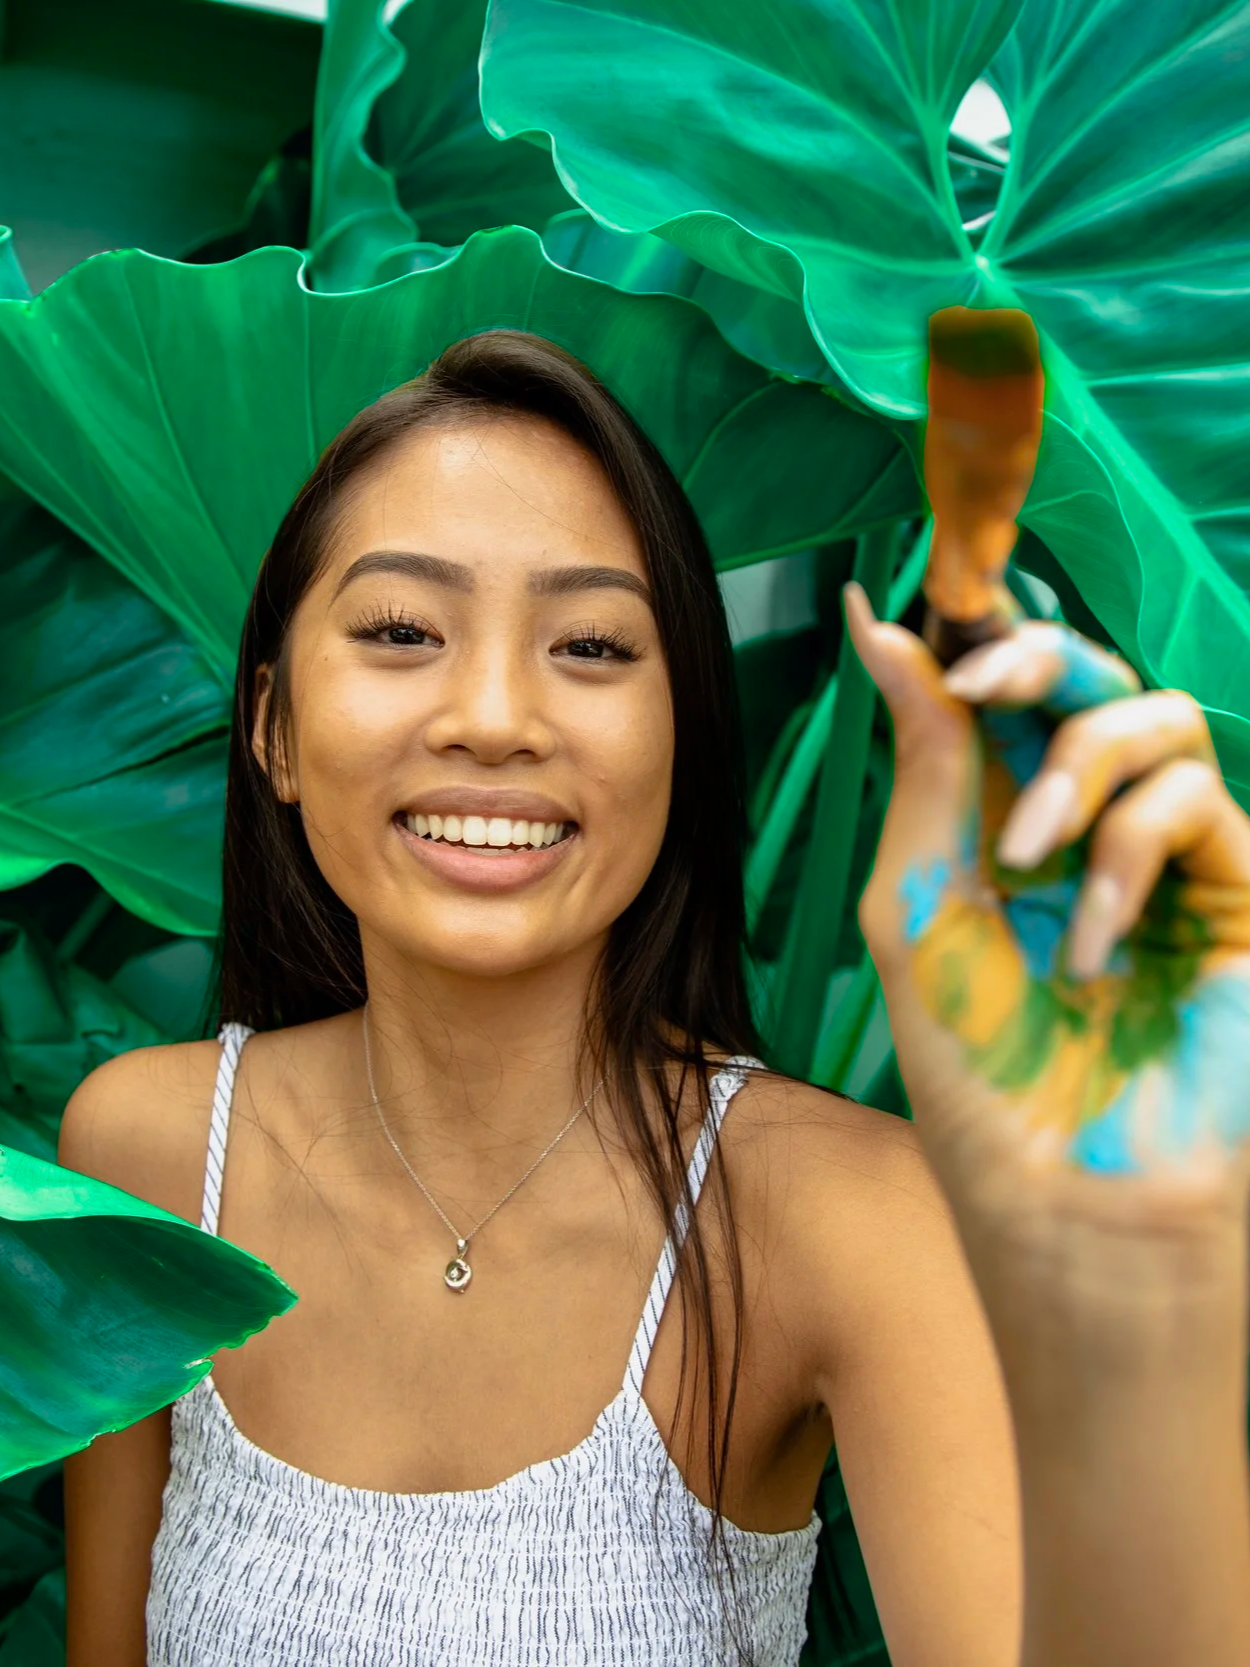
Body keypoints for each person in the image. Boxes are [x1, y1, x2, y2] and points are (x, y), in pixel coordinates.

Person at [57, 329, 1250, 1667]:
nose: (495, 713)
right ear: (272, 724)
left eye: (589, 644)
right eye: (400, 630)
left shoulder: (840, 1216)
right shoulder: (151, 1153)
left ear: (681, 738)